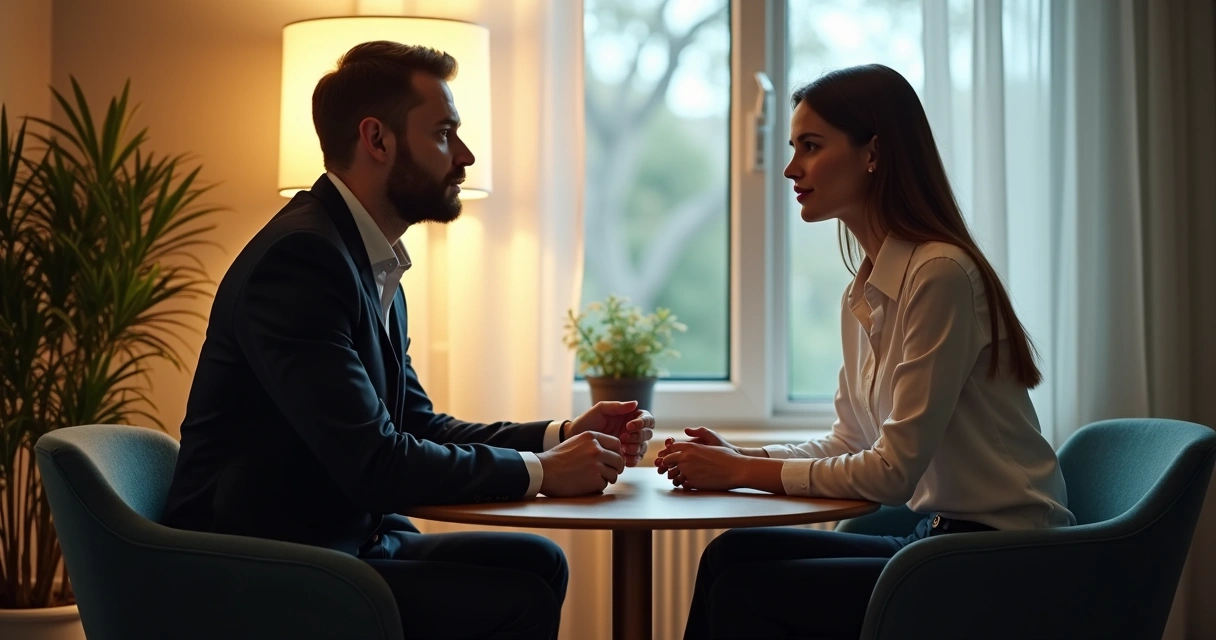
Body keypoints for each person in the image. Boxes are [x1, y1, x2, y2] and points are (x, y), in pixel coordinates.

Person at [162, 41, 655, 640]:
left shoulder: (369, 262)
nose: (466, 156)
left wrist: (561, 436)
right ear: (378, 140)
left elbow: (416, 424)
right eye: (445, 132)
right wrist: (543, 471)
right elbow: (376, 463)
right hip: (262, 571)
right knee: (514, 597)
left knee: (537, 561)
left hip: (344, 545)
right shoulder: (300, 261)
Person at [655, 64, 1075, 639]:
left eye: (811, 146)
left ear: (872, 152)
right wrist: (740, 454)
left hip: (1003, 555)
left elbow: (892, 474)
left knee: (748, 590)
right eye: (792, 147)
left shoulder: (940, 275)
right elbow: (851, 441)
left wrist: (746, 471)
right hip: (937, 536)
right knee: (731, 555)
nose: (789, 168)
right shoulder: (867, 288)